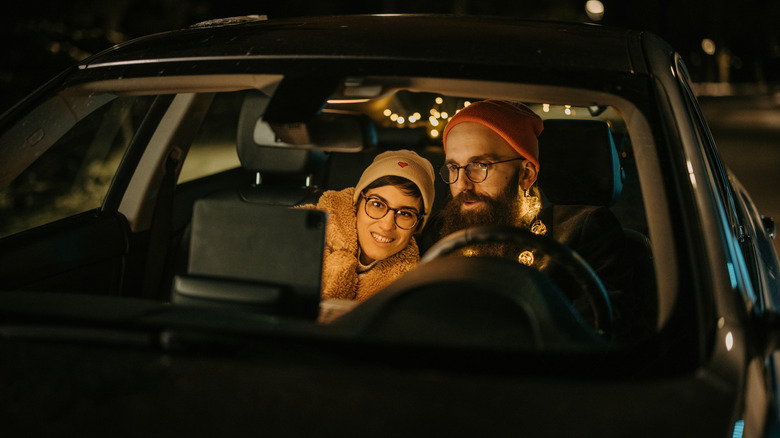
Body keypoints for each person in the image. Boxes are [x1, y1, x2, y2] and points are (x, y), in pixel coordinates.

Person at [420, 100, 632, 336]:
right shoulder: (439, 231)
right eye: (453, 167)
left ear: (526, 174)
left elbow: (597, 337)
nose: (462, 185)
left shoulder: (584, 230)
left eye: (479, 165)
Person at [303, 149, 435, 304]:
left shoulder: (410, 288)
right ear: (357, 203)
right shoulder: (303, 230)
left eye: (405, 214)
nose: (387, 225)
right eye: (377, 204)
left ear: (417, 225)